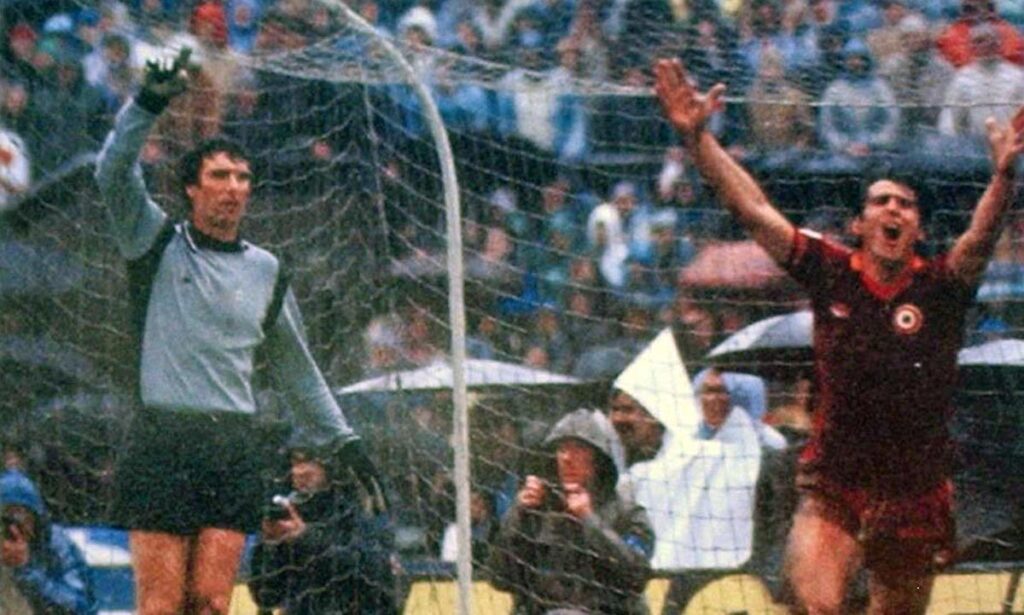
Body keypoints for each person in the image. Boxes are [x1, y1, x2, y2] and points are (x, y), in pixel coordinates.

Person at [654, 55, 1023, 613]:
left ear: (918, 228)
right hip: (836, 483)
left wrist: (1003, 178)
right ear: (859, 223)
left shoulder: (940, 287)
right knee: (817, 607)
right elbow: (754, 210)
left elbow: (979, 238)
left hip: (916, 490)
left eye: (905, 205)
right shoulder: (831, 271)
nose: (893, 209)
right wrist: (698, 140)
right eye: (881, 201)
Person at [94, 48, 381, 615]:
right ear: (191, 188)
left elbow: (298, 370)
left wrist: (344, 442)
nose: (233, 186)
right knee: (161, 605)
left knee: (211, 604)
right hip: (161, 440)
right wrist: (146, 104)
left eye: (243, 177)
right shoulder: (153, 242)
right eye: (219, 175)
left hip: (231, 446)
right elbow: (111, 172)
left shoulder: (266, 271)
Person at [487, 408, 653, 614]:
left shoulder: (628, 514)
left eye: (578, 449)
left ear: (598, 458)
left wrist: (589, 519)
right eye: (562, 449)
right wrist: (518, 514)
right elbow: (500, 578)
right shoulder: (536, 512)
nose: (567, 458)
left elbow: (636, 576)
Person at [248, 445, 396, 614]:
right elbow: (266, 597)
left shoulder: (360, 508)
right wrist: (271, 545)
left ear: (331, 466)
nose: (299, 471)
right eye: (295, 462)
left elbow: (371, 570)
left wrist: (305, 537)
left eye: (309, 461)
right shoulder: (288, 514)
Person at [1, 469, 98, 615]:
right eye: (5, 519)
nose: (13, 528)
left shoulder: (56, 544)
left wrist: (26, 570)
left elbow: (80, 608)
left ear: (36, 517)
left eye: (20, 516)